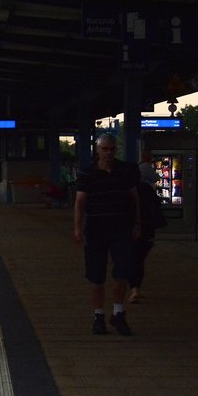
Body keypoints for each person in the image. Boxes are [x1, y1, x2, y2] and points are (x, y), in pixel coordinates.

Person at [73, 134, 140, 336]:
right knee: (96, 276)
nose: (109, 153)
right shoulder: (87, 173)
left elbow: (135, 199)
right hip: (96, 230)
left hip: (121, 228)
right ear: (98, 150)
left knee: (122, 272)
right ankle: (99, 316)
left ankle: (118, 313)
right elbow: (80, 202)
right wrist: (77, 228)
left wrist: (138, 223)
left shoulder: (126, 171)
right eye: (105, 149)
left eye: (112, 149)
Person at [128, 150, 162, 304]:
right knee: (139, 260)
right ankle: (135, 288)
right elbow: (155, 209)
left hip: (127, 230)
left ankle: (132, 288)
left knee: (131, 259)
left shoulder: (124, 191)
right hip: (146, 230)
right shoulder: (147, 190)